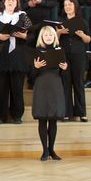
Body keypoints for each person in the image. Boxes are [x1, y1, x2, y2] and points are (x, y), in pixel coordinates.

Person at [0, 0, 31, 124]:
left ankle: (17, 115)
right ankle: (0, 116)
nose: (10, 2)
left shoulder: (22, 16)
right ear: (4, 3)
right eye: (8, 0)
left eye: (13, 0)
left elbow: (32, 34)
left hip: (18, 56)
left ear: (17, 3)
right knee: (0, 88)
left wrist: (24, 36)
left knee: (17, 88)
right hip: (1, 55)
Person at [32, 26, 68, 161]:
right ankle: (45, 151)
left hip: (55, 85)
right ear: (41, 37)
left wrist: (65, 69)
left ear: (54, 37)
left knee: (53, 119)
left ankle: (52, 149)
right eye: (46, 35)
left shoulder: (60, 51)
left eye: (51, 35)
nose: (48, 37)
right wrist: (35, 68)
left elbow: (65, 75)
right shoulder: (36, 51)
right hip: (41, 85)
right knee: (42, 118)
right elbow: (31, 76)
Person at [56, 0, 91, 122]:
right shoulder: (59, 21)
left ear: (75, 6)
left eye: (70, 4)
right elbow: (54, 40)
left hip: (78, 54)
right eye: (65, 5)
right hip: (64, 54)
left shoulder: (82, 21)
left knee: (78, 83)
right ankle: (66, 112)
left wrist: (82, 35)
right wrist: (59, 33)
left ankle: (81, 112)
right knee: (65, 82)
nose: (68, 7)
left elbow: (88, 39)